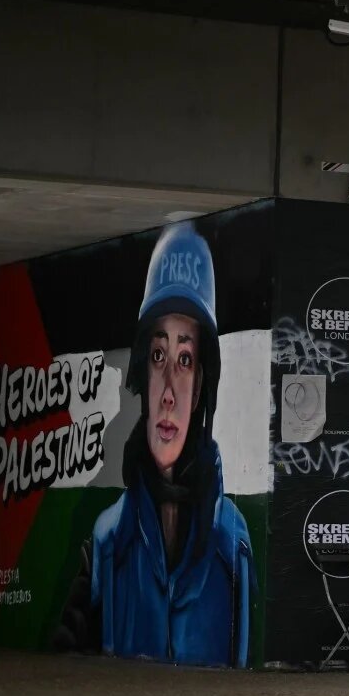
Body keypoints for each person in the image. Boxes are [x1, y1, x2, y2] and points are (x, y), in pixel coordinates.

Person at [53, 222, 252, 666]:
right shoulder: (106, 542)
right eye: (159, 356)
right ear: (142, 371)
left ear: (200, 388)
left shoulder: (233, 544)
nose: (168, 392)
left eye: (185, 359)